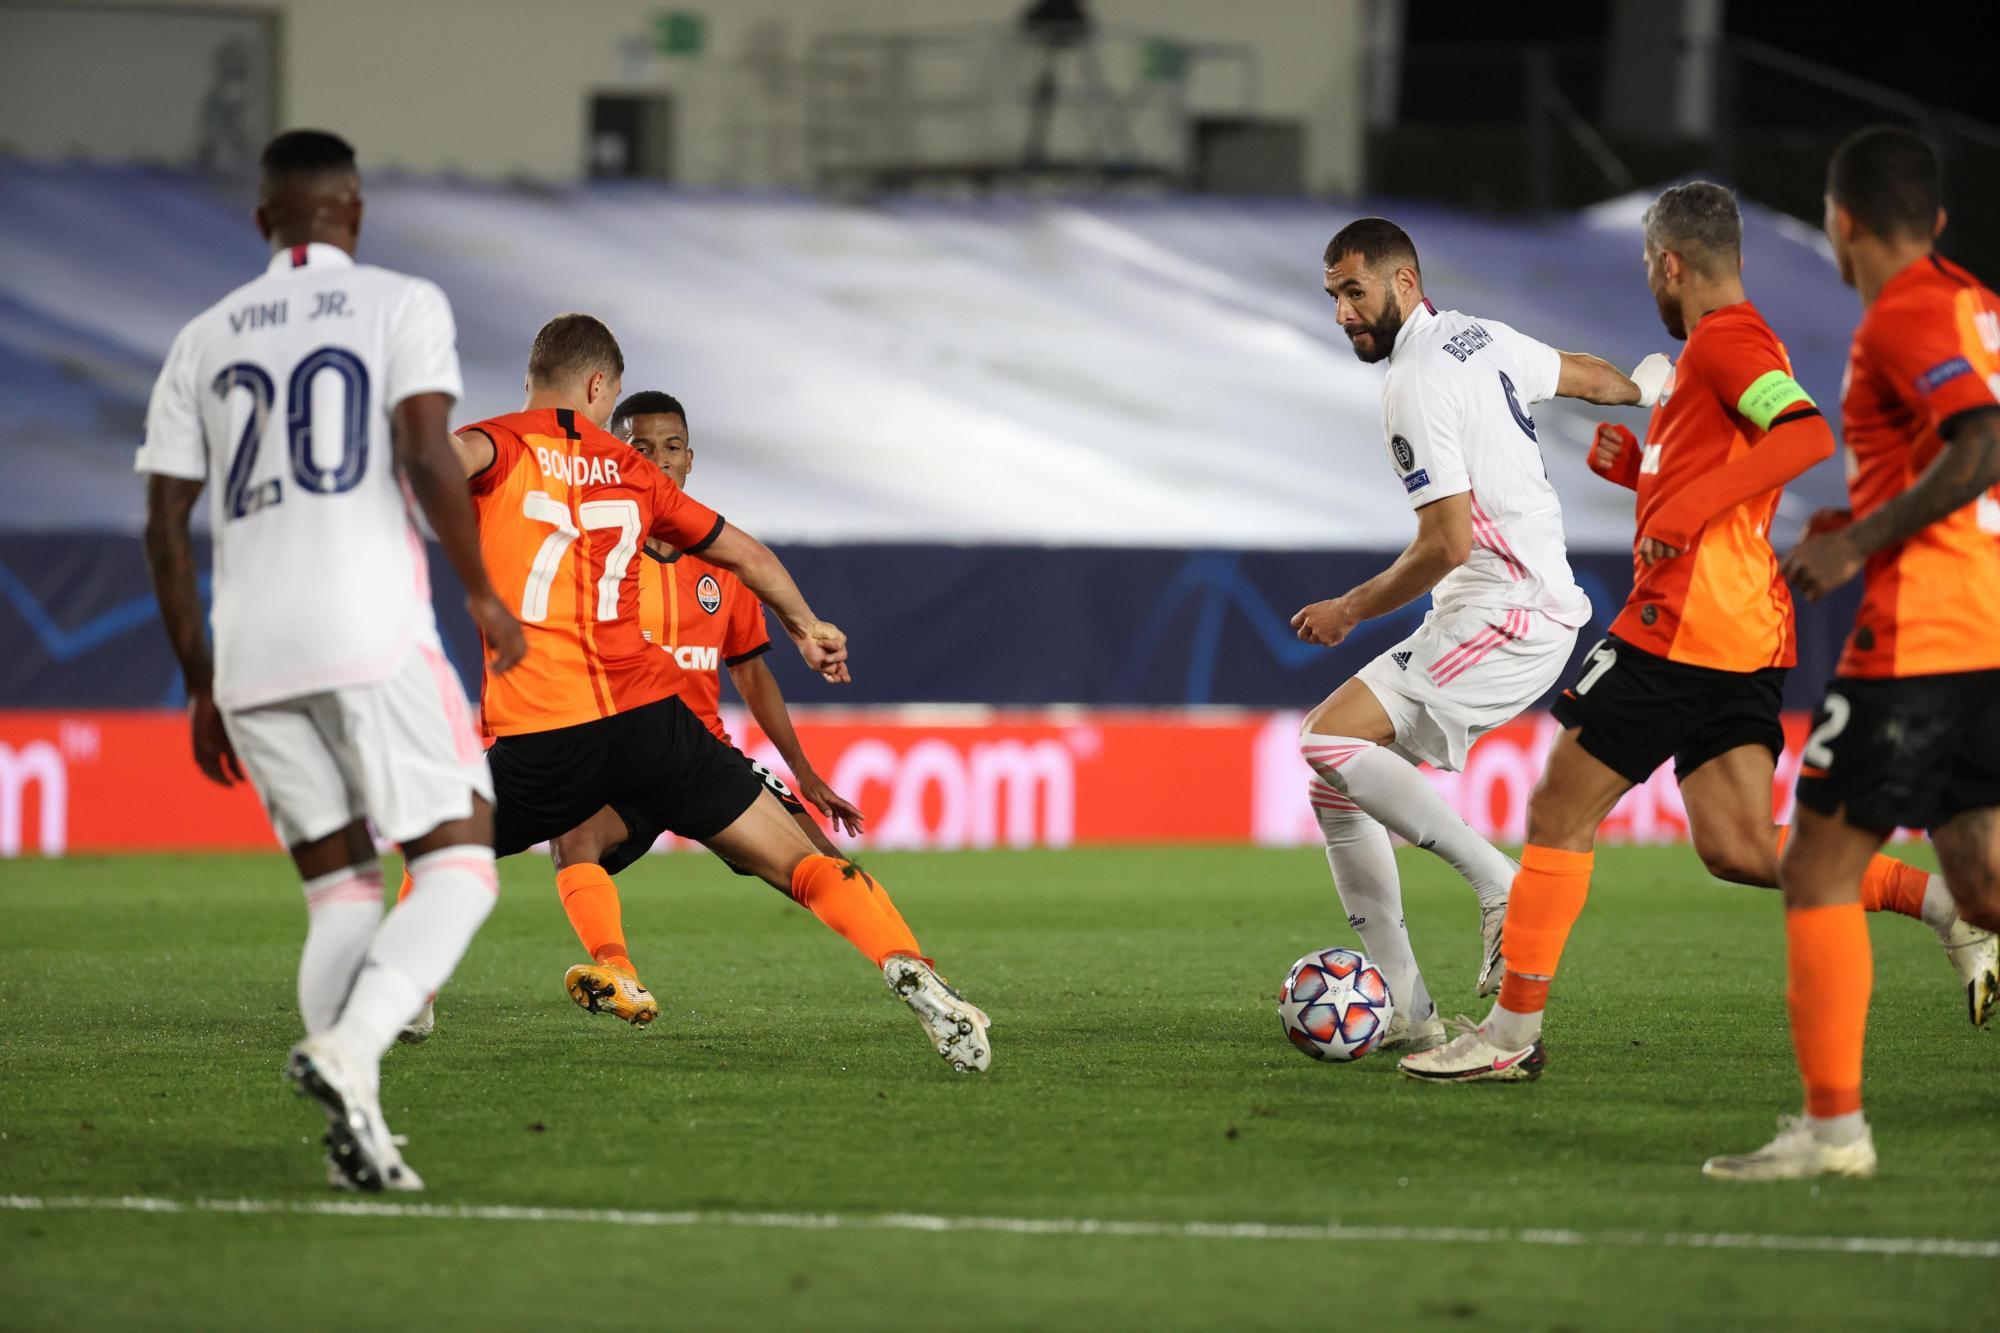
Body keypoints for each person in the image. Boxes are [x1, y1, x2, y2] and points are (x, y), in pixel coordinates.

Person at [1400, 180, 1996, 1086]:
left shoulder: (1728, 339)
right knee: (1740, 848)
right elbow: (1726, 485)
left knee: (1560, 809)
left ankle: (1510, 1034)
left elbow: (1800, 438)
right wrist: (1643, 479)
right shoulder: (1721, 356)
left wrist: (1685, 504)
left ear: (1670, 263)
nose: (1651, 283)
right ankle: (1950, 904)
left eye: (1649, 267)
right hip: (1745, 632)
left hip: (1682, 625)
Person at [438, 315, 991, 1072]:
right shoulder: (632, 479)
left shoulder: (501, 442)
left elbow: (439, 458)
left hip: (551, 725)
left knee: (442, 840)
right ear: (600, 387)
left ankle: (409, 990)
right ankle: (905, 962)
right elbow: (750, 553)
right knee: (802, 862)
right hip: (655, 724)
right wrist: (809, 624)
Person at [137, 129, 528, 1192]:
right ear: (352, 206)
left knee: (344, 893)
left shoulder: (201, 338)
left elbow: (166, 525)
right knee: (459, 862)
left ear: (263, 219)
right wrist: (482, 591)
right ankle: (350, 1052)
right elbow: (418, 448)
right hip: (368, 628)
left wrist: (200, 677)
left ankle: (357, 1128)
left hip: (253, 650)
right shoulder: (401, 304)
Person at [1294, 216, 1668, 1051]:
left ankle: (1498, 880)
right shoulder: (1480, 338)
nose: (1344, 312)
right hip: (1511, 610)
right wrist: (1645, 389)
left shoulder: (1415, 381)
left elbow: (1447, 543)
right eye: (1333, 297)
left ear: (1403, 283)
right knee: (1334, 780)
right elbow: (1583, 375)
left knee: (1324, 743)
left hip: (1507, 614)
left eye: (1354, 291)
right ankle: (1409, 1012)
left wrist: (1348, 609)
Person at [1704, 128, 2000, 1180]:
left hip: (1920, 634)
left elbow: (1980, 441)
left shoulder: (1904, 313)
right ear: (1934, 219)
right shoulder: (1970, 297)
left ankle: (1832, 1134)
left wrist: (1856, 541)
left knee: (1817, 870)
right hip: (1984, 623)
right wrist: (1862, 506)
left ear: (1838, 222)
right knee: (1983, 882)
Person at [475, 389, 867, 1027]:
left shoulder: (723, 562)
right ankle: (616, 969)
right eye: (641, 446)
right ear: (618, 453)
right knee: (574, 840)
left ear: (691, 460)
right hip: (626, 749)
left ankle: (918, 975)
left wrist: (804, 771)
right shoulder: (599, 545)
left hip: (696, 752)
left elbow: (751, 671)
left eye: (673, 447)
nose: (658, 459)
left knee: (823, 861)